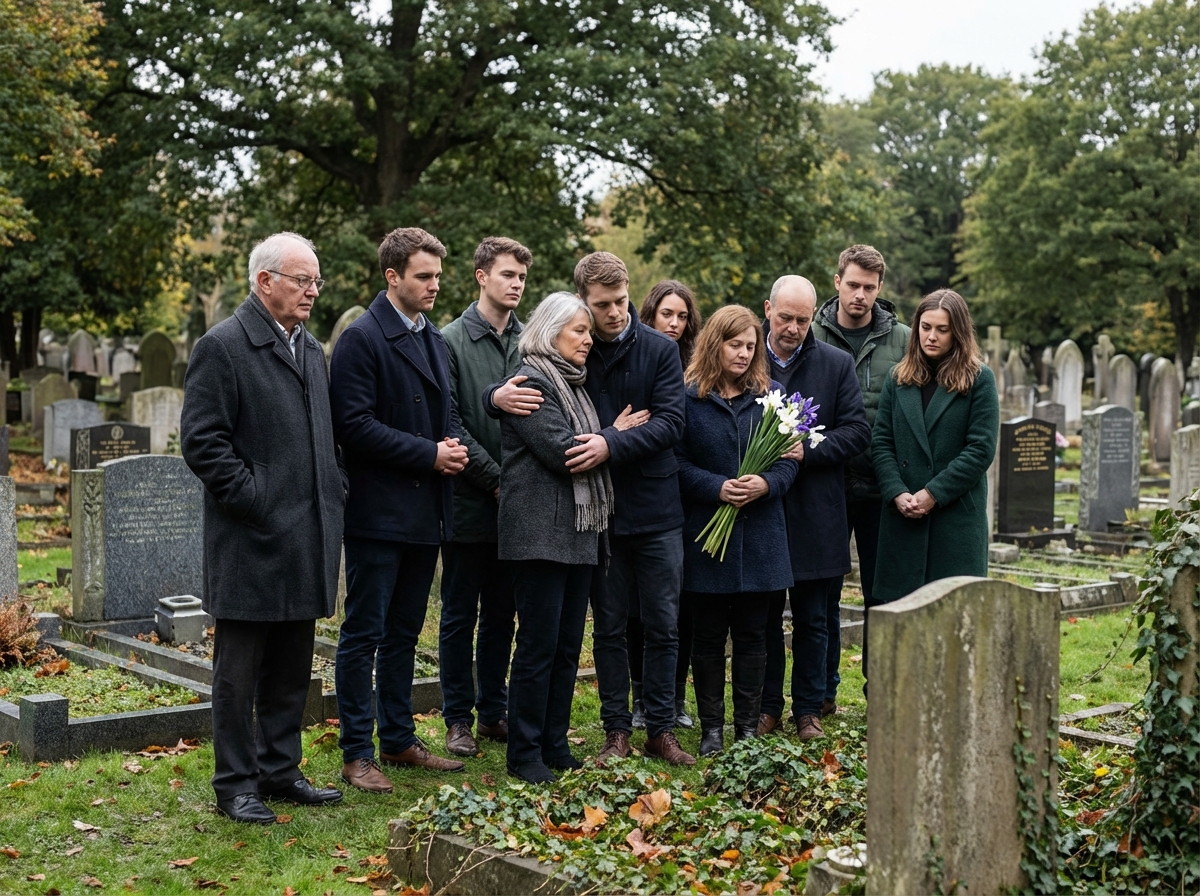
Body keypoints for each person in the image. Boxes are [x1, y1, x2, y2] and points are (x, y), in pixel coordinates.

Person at [488, 252, 693, 767]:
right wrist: (608, 435)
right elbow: (556, 437)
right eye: (600, 308)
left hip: (629, 509)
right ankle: (607, 732)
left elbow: (670, 422)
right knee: (591, 633)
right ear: (581, 306)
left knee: (660, 625)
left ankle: (656, 728)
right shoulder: (566, 363)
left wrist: (610, 444)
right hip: (574, 522)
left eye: (622, 301)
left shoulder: (655, 350)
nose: (615, 314)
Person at [181, 232, 345, 824]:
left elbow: (327, 438)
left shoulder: (312, 349)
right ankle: (235, 784)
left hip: (307, 534)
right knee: (239, 672)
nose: (312, 291)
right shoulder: (222, 346)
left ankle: (280, 770)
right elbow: (202, 441)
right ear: (264, 282)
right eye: (302, 280)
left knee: (291, 665)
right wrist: (258, 500)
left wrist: (334, 486)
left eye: (316, 281)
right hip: (251, 537)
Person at [330, 227, 468, 795]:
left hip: (426, 512)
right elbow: (354, 427)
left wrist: (453, 445)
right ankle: (357, 752)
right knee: (364, 633)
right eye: (424, 276)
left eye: (438, 275)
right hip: (378, 513)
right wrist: (430, 454)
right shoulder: (364, 338)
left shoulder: (433, 336)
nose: (435, 285)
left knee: (406, 633)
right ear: (393, 277)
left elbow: (449, 409)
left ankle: (398, 737)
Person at [496, 292, 617, 784]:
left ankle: (554, 742)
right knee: (538, 646)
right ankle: (524, 753)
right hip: (539, 534)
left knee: (567, 647)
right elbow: (565, 451)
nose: (589, 340)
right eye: (579, 332)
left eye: (589, 332)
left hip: (578, 532)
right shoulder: (531, 382)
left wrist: (609, 437)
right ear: (550, 333)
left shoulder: (577, 387)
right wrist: (617, 435)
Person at [676, 304, 798, 757]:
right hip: (708, 533)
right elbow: (676, 464)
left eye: (750, 345)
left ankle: (746, 726)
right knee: (707, 636)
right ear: (714, 344)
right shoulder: (688, 397)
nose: (744, 353)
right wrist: (716, 487)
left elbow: (789, 463)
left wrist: (766, 483)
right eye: (735, 344)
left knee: (753, 636)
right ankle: (712, 728)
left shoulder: (774, 397)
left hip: (762, 536)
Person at [757, 276, 870, 741]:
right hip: (761, 510)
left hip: (817, 510)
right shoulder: (746, 357)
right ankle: (765, 708)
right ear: (767, 310)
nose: (794, 328)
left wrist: (809, 447)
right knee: (762, 619)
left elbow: (857, 432)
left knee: (812, 620)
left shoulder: (835, 363)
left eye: (803, 320)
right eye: (785, 317)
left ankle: (807, 711)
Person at [437, 237, 531, 757]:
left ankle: (493, 711)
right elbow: (452, 423)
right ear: (480, 276)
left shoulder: (530, 339)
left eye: (521, 277)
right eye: (507, 274)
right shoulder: (449, 340)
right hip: (470, 503)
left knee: (503, 612)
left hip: (520, 508)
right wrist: (498, 479)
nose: (515, 284)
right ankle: (457, 718)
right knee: (459, 614)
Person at [811, 245, 908, 703]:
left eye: (869, 288)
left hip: (880, 485)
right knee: (824, 594)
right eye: (853, 285)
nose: (860, 296)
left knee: (881, 592)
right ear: (837, 282)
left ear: (879, 289)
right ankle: (823, 690)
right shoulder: (811, 334)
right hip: (822, 483)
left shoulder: (904, 341)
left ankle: (881, 690)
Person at [871, 289, 998, 603]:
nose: (932, 336)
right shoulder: (897, 378)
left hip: (954, 519)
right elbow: (882, 442)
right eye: (926, 327)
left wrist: (932, 494)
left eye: (942, 330)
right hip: (904, 516)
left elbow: (980, 449)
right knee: (901, 614)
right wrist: (896, 492)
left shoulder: (979, 379)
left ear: (958, 332)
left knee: (955, 614)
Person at [628, 278, 702, 729]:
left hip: (691, 499)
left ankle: (674, 699)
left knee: (682, 607)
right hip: (650, 494)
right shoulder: (642, 357)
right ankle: (642, 699)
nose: (674, 323)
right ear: (650, 315)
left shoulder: (698, 366)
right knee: (642, 608)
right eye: (666, 315)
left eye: (681, 316)